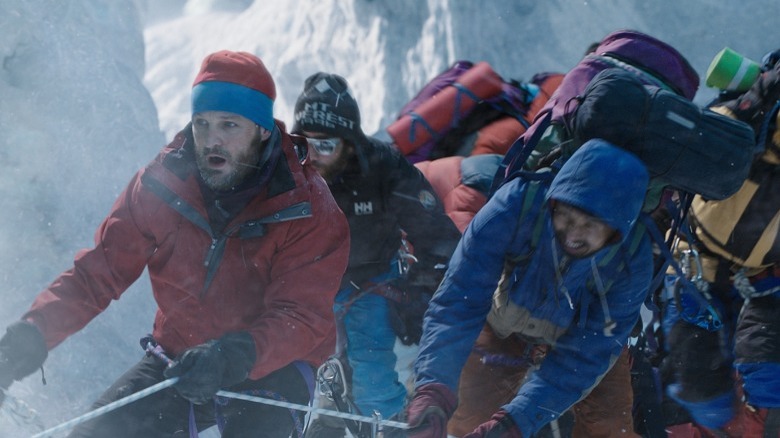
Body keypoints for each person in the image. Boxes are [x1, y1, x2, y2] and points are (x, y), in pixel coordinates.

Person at [0, 50, 350, 437]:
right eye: (202, 124)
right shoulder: (161, 186)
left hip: (272, 366)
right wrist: (32, 335)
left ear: (262, 129)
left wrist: (230, 356)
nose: (212, 140)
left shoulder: (307, 207)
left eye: (229, 125)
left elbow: (301, 317)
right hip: (179, 360)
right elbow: (97, 274)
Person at [405, 139, 654, 438]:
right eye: (567, 216)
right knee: (467, 418)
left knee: (610, 429)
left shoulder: (632, 260)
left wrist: (515, 423)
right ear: (554, 202)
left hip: (578, 343)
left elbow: (588, 356)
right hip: (501, 326)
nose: (574, 234)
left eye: (591, 226)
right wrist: (433, 390)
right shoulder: (512, 207)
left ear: (616, 231)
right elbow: (459, 301)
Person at [290, 72, 461, 437]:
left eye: (325, 145)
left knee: (371, 372)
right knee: (301, 370)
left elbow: (438, 235)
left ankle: (387, 428)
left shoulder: (383, 168)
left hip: (371, 281)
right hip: (305, 285)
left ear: (350, 142)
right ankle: (326, 421)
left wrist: (423, 289)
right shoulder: (286, 173)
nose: (313, 157)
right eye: (304, 144)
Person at [657, 49, 780, 437]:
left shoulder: (745, 107)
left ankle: (728, 423)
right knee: (752, 387)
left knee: (701, 388)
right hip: (756, 269)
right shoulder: (748, 108)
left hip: (697, 256)